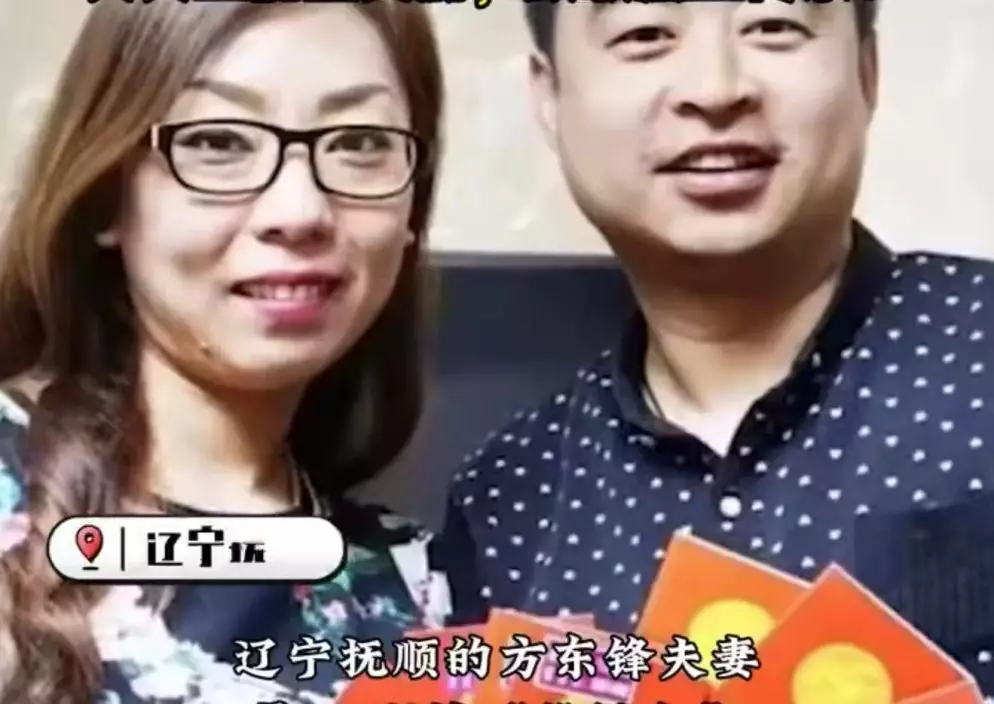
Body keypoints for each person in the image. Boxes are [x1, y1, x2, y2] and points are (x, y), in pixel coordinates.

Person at [433, 0, 994, 694]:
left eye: (774, 24)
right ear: (550, 97)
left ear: (867, 69)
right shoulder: (505, 502)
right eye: (645, 33)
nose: (717, 87)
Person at [0, 2, 445, 703]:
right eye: (219, 141)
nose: (300, 212)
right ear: (108, 194)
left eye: (360, 142)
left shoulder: (418, 590)